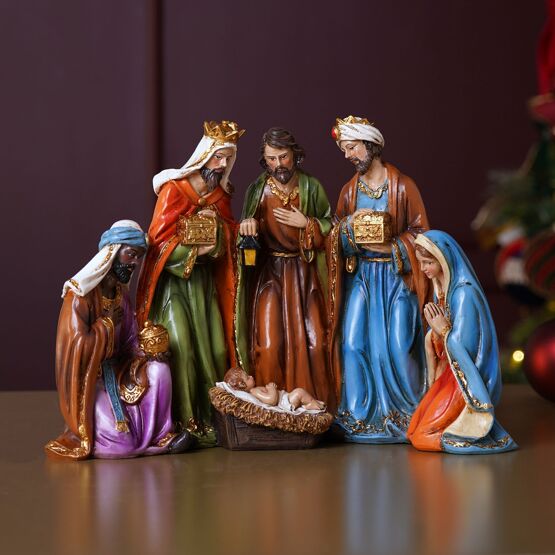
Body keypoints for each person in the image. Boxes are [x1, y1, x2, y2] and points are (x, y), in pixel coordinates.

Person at [136, 121, 244, 446]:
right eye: (218, 157)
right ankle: (186, 421)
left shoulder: (219, 196)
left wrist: (219, 237)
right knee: (181, 346)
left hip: (204, 285)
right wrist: (193, 249)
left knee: (216, 347)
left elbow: (229, 236)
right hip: (174, 289)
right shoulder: (174, 190)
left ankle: (213, 416)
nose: (222, 165)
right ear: (204, 155)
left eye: (228, 158)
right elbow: (157, 244)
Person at [45, 220, 191, 460]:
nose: (134, 263)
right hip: (91, 380)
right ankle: (130, 441)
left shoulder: (121, 295)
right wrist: (107, 325)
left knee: (159, 370)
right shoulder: (79, 296)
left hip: (119, 371)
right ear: (111, 253)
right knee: (121, 445)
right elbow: (76, 349)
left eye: (138, 257)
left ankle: (161, 436)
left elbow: (130, 341)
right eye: (130, 254)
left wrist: (149, 351)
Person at [328, 115, 430, 443]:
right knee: (352, 343)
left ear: (371, 144)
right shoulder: (349, 191)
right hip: (362, 276)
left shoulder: (403, 186)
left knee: (399, 345)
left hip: (396, 277)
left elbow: (422, 234)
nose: (348, 155)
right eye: (344, 150)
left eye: (352, 147)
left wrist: (393, 246)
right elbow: (335, 234)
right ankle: (359, 416)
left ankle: (409, 413)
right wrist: (350, 226)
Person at [236, 127, 336, 411]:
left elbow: (331, 227)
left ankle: (315, 408)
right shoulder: (258, 190)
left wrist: (308, 224)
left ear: (295, 154)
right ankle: (273, 409)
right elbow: (244, 238)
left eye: (283, 157)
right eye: (271, 159)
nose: (278, 164)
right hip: (271, 274)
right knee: (269, 345)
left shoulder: (311, 186)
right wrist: (247, 227)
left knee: (315, 342)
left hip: (305, 274)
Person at [407, 231, 517, 453]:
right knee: (414, 429)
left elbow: (466, 347)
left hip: (465, 381)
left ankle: (463, 438)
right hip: (449, 373)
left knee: (422, 436)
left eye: (428, 262)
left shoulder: (464, 294)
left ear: (444, 260)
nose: (423, 268)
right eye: (421, 262)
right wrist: (434, 334)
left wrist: (442, 330)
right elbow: (442, 344)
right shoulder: (443, 290)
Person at [223, 367, 326, 411]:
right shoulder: (254, 392)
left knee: (299, 393)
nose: (251, 376)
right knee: (299, 392)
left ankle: (311, 403)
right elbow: (272, 401)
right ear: (242, 385)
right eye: (247, 377)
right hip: (284, 403)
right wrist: (272, 389)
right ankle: (311, 404)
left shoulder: (254, 390)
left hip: (286, 398)